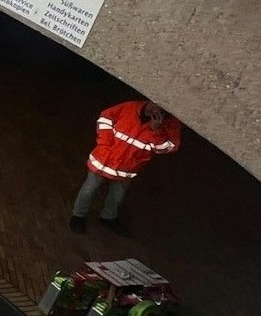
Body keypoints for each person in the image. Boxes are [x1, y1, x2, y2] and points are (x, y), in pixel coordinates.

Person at [69, 100, 182, 234]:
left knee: (117, 195)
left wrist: (156, 131)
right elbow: (105, 117)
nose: (159, 112)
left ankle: (108, 217)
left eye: (164, 111)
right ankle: (78, 217)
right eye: (158, 106)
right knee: (89, 189)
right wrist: (105, 144)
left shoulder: (172, 124)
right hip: (104, 160)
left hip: (128, 167)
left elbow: (167, 148)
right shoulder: (130, 107)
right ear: (152, 100)